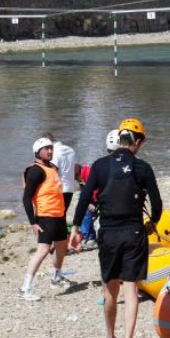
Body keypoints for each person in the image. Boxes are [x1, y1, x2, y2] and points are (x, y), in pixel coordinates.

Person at [68, 118, 162, 338]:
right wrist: (152, 224)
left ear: (120, 139)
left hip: (108, 232)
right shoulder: (143, 168)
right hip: (133, 232)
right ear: (138, 142)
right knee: (131, 289)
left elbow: (84, 198)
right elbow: (157, 205)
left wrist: (76, 228)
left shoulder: (99, 166)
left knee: (110, 290)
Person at [21, 137, 70, 301]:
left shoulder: (52, 168)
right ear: (38, 151)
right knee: (43, 250)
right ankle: (25, 288)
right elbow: (26, 198)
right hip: (45, 216)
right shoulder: (35, 171)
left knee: (62, 245)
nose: (50, 151)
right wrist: (33, 222)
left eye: (51, 148)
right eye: (46, 149)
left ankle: (56, 276)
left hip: (58, 215)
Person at [78, 129, 120, 249]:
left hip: (103, 200)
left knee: (87, 213)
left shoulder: (95, 168)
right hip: (105, 200)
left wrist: (92, 203)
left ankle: (89, 238)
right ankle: (90, 236)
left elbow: (96, 189)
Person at [45, 133, 79, 215]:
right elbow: (77, 169)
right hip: (70, 189)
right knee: (62, 216)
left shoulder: (54, 152)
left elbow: (52, 172)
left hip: (58, 190)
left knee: (55, 217)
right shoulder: (70, 149)